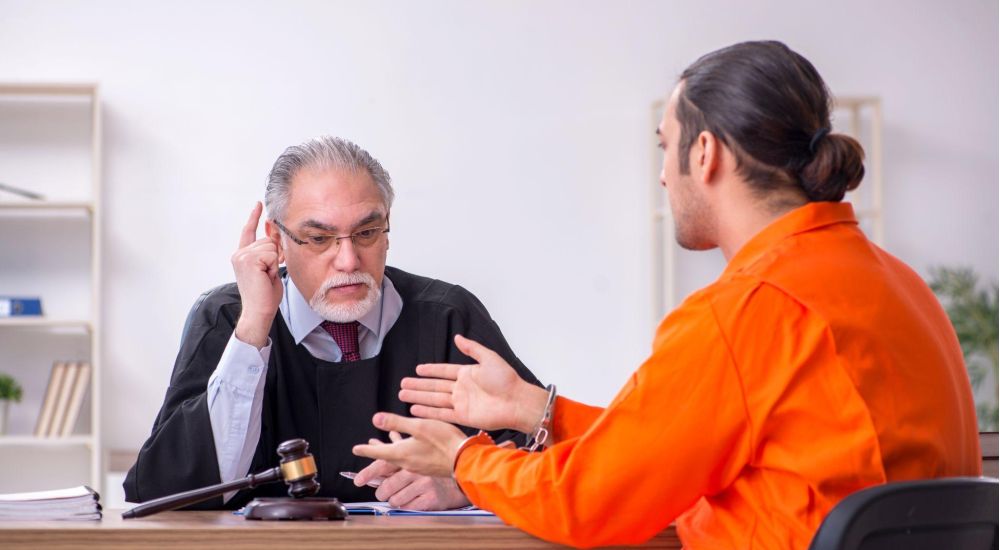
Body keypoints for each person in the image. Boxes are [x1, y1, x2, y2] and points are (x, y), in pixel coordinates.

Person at [352, 41, 982, 547]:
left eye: (665, 145)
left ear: (704, 153)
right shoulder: (900, 286)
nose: (660, 173)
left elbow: (583, 506)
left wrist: (464, 458)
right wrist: (538, 413)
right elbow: (675, 450)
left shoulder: (747, 310)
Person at [124, 136, 541, 511]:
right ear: (277, 240)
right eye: (319, 239)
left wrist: (466, 483)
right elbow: (167, 490)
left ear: (387, 230)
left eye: (366, 232)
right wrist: (255, 325)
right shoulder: (229, 317)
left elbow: (548, 455)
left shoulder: (447, 316)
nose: (348, 261)